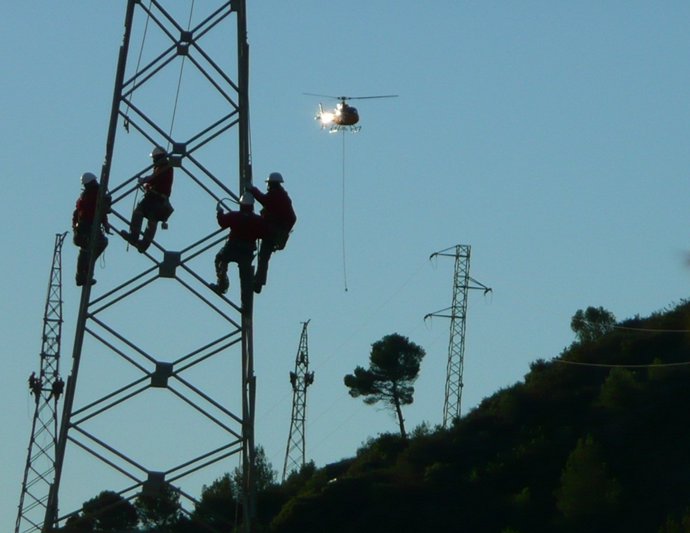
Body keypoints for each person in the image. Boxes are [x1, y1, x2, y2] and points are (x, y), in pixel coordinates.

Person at [210, 192, 267, 301]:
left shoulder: (235, 216)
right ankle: (246, 303)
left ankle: (221, 285)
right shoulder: (257, 220)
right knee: (245, 278)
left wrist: (220, 212)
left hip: (232, 247)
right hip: (247, 251)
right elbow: (263, 233)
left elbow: (222, 222)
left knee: (220, 260)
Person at [248, 172, 296, 293]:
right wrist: (284, 231)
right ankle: (258, 282)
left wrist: (252, 190)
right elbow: (292, 218)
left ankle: (257, 281)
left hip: (270, 231)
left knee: (263, 256)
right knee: (264, 258)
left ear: (271, 184)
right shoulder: (283, 196)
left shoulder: (276, 195)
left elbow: (264, 200)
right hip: (273, 232)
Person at [120, 146, 174, 253]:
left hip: (156, 199)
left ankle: (139, 240)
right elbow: (155, 178)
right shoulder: (162, 167)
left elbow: (155, 178)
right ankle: (138, 240)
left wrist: (144, 180)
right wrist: (147, 184)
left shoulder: (166, 167)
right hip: (155, 198)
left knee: (147, 218)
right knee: (145, 217)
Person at [72, 172, 110, 286]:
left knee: (86, 250)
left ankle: (82, 273)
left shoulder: (85, 196)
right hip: (88, 227)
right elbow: (100, 210)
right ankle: (85, 270)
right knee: (98, 244)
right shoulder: (94, 194)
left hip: (83, 228)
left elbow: (98, 211)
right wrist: (105, 222)